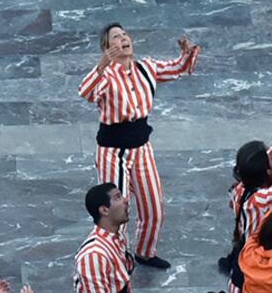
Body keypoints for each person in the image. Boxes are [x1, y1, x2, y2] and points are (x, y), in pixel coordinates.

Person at [77, 24, 199, 267]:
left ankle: (144, 251)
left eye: (124, 35)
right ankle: (116, 256)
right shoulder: (106, 76)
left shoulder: (146, 67)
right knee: (116, 209)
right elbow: (86, 92)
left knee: (154, 205)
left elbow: (178, 68)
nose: (123, 39)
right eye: (116, 37)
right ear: (107, 47)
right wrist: (102, 65)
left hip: (141, 147)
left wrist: (185, 54)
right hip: (113, 151)